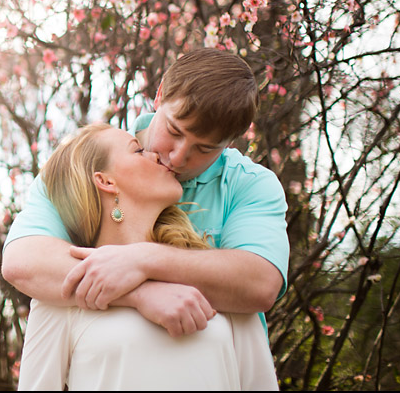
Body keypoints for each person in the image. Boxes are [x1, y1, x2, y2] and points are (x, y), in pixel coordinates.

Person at [2, 48, 289, 337]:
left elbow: (261, 283)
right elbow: (22, 261)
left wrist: (143, 260)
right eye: (174, 131)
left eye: (204, 148)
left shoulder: (249, 185)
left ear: (230, 142)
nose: (178, 157)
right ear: (160, 95)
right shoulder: (89, 161)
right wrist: (140, 293)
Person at [16, 123, 278, 389]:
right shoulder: (62, 294)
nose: (156, 155)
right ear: (105, 181)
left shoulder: (219, 282)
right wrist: (141, 294)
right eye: (138, 150)